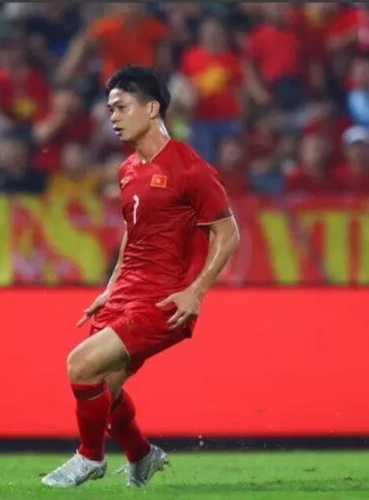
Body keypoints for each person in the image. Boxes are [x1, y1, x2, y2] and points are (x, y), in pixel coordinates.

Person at [41, 66, 240, 489]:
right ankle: (142, 455)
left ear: (151, 109)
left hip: (164, 299)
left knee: (80, 365)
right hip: (126, 291)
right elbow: (133, 231)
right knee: (105, 390)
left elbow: (229, 233)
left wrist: (196, 291)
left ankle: (89, 457)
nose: (112, 117)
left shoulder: (190, 168)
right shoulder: (128, 169)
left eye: (121, 107)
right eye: (110, 109)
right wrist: (111, 287)